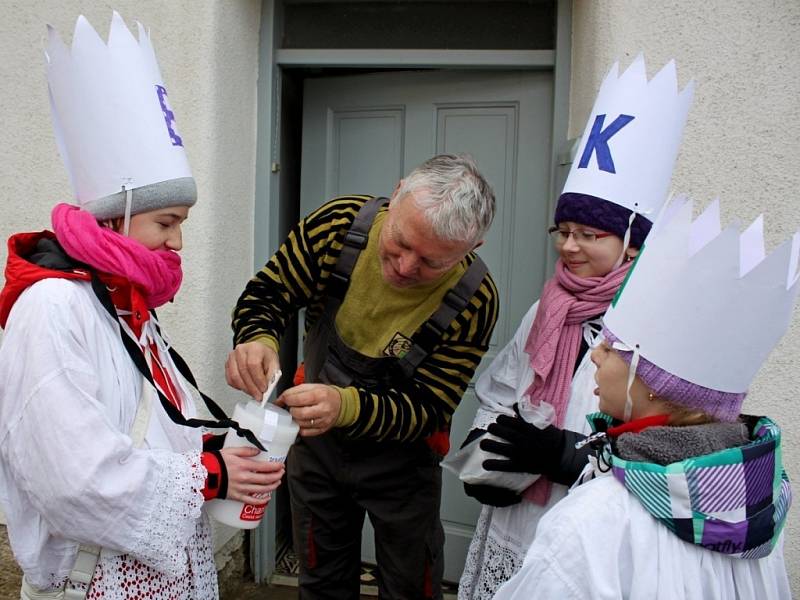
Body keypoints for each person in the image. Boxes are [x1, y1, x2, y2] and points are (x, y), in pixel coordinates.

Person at [0, 13, 283, 599]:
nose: (178, 242)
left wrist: (220, 448)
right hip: (94, 580)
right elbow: (72, 477)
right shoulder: (53, 307)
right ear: (113, 217)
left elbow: (146, 426)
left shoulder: (125, 304)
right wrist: (210, 475)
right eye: (166, 222)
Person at [458, 56, 694, 600]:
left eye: (588, 233)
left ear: (630, 244)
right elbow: (503, 388)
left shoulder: (655, 319)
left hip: (598, 523)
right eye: (563, 230)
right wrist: (487, 456)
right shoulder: (550, 305)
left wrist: (569, 457)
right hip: (520, 515)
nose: (568, 246)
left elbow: (677, 439)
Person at [226, 153, 499, 599]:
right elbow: (268, 294)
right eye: (401, 242)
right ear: (395, 195)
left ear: (472, 249)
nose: (407, 267)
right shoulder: (337, 228)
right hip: (317, 452)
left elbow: (431, 406)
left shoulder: (475, 299)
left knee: (411, 584)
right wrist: (258, 338)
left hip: (402, 464)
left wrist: (345, 405)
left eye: (432, 262)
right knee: (322, 580)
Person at [493, 195, 794, 599]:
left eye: (614, 348)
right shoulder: (753, 507)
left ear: (656, 383)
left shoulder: (592, 521)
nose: (595, 355)